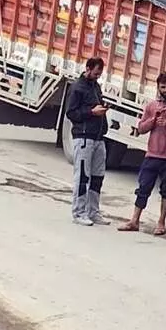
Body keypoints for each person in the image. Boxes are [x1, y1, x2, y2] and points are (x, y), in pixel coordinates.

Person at [120, 72, 166, 236]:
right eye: (163, 87)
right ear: (158, 88)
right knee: (143, 188)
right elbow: (141, 128)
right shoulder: (152, 106)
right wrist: (153, 121)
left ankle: (161, 223)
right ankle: (134, 220)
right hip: (152, 155)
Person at [65, 57, 109, 226]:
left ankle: (93, 211)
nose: (98, 76)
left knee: (98, 176)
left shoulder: (96, 86)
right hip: (83, 137)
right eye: (96, 73)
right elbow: (71, 113)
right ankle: (79, 212)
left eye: (100, 74)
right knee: (83, 176)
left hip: (98, 137)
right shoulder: (78, 88)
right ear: (88, 68)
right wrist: (91, 112)